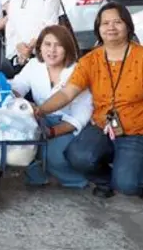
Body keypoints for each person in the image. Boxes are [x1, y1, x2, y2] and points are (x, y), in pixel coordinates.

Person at [35, 3, 143, 199]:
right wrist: (40, 110)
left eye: (117, 22)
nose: (111, 27)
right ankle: (108, 180)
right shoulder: (90, 60)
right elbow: (68, 93)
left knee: (129, 185)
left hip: (139, 132)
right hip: (103, 127)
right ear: (98, 29)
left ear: (128, 26)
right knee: (77, 156)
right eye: (105, 23)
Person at [10, 25, 92, 188]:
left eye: (58, 45)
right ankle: (39, 176)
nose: (52, 50)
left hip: (67, 124)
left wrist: (52, 132)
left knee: (52, 156)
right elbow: (17, 87)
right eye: (47, 44)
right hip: (41, 118)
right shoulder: (34, 65)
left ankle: (78, 180)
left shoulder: (78, 70)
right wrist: (23, 103)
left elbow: (81, 115)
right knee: (20, 141)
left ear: (68, 48)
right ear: (39, 47)